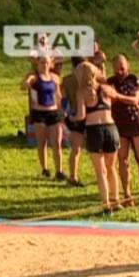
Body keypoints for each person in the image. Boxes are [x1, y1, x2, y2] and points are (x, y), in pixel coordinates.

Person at [74, 61, 136, 214]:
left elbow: (81, 116)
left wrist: (69, 117)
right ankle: (116, 200)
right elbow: (115, 98)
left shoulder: (82, 92)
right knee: (111, 167)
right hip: (111, 128)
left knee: (100, 170)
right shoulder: (106, 88)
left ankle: (106, 204)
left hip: (94, 130)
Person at [108, 54, 139, 207]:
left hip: (135, 123)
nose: (119, 71)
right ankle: (127, 194)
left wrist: (117, 96)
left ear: (127, 66)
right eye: (116, 68)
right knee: (123, 160)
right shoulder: (110, 82)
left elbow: (135, 100)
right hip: (119, 125)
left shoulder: (135, 80)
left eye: (122, 67)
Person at [23, 55, 65, 181]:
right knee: (42, 142)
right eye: (42, 62)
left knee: (57, 143)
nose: (44, 65)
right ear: (38, 64)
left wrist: (62, 110)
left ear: (51, 64)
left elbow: (58, 95)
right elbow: (25, 84)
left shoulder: (55, 78)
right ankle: (45, 168)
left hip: (53, 112)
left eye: (46, 63)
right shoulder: (34, 77)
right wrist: (27, 82)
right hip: (39, 113)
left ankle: (59, 171)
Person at [60, 56, 87, 187]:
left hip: (74, 114)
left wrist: (65, 115)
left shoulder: (66, 80)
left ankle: (73, 176)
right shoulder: (90, 78)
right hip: (90, 115)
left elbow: (63, 100)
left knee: (76, 149)